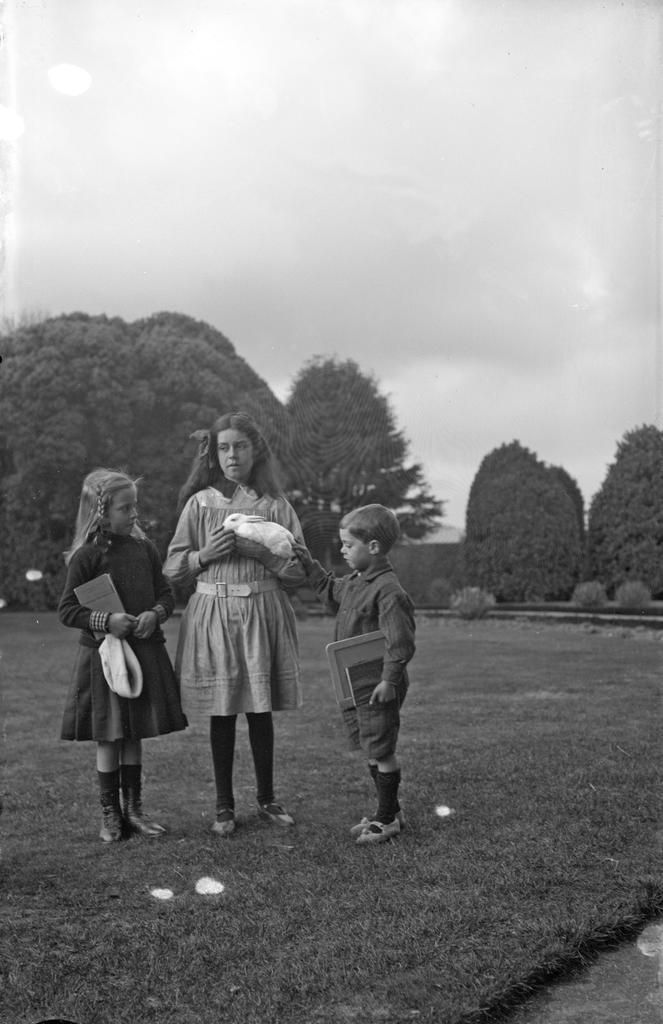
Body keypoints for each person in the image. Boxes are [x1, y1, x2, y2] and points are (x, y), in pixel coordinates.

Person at [163, 411, 307, 838]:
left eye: (240, 446)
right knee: (222, 711)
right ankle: (224, 806)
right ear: (214, 453)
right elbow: (172, 567)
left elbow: (300, 570)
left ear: (254, 450)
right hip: (214, 615)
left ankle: (267, 798)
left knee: (259, 708)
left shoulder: (275, 506)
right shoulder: (201, 504)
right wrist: (204, 556)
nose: (231, 455)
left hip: (261, 611)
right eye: (224, 447)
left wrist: (262, 555)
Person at [58, 468, 188, 843]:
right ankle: (110, 814)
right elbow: (67, 610)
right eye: (124, 508)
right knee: (109, 734)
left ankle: (134, 810)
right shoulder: (86, 557)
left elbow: (166, 594)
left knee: (134, 733)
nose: (134, 515)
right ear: (101, 512)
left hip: (143, 653)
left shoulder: (145, 548)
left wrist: (155, 614)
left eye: (135, 507)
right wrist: (107, 620)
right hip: (104, 658)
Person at [294, 503, 415, 845]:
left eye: (348, 545)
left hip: (377, 683)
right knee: (371, 746)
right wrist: (306, 561)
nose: (343, 551)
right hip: (357, 681)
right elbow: (329, 588)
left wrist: (389, 680)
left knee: (381, 749)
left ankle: (387, 820)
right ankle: (388, 811)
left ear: (373, 547)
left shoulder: (388, 591)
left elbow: (400, 642)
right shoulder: (356, 582)